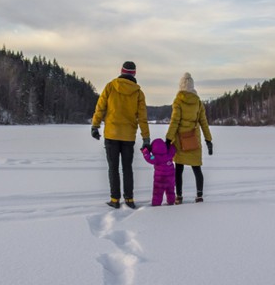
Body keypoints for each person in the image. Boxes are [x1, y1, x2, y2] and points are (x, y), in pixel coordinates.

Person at [91, 61, 151, 209]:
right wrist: (146, 138)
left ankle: (115, 199)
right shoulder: (138, 93)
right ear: (134, 74)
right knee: (127, 168)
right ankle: (129, 199)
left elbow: (100, 108)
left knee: (113, 168)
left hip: (111, 134)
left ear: (121, 71)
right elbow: (142, 117)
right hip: (128, 137)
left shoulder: (111, 86)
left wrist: (95, 126)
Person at [165, 72, 213, 204]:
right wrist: (208, 139)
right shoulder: (197, 102)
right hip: (193, 139)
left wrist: (168, 139)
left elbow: (174, 121)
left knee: (178, 169)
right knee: (196, 167)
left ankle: (179, 197)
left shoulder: (178, 100)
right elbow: (203, 122)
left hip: (180, 140)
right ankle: (199, 195)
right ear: (192, 86)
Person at [140, 138, 177, 206]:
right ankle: (171, 201)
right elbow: (173, 149)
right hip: (170, 178)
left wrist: (145, 151)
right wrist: (170, 144)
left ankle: (156, 203)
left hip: (160, 180)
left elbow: (148, 157)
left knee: (158, 192)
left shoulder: (155, 158)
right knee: (170, 191)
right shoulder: (169, 154)